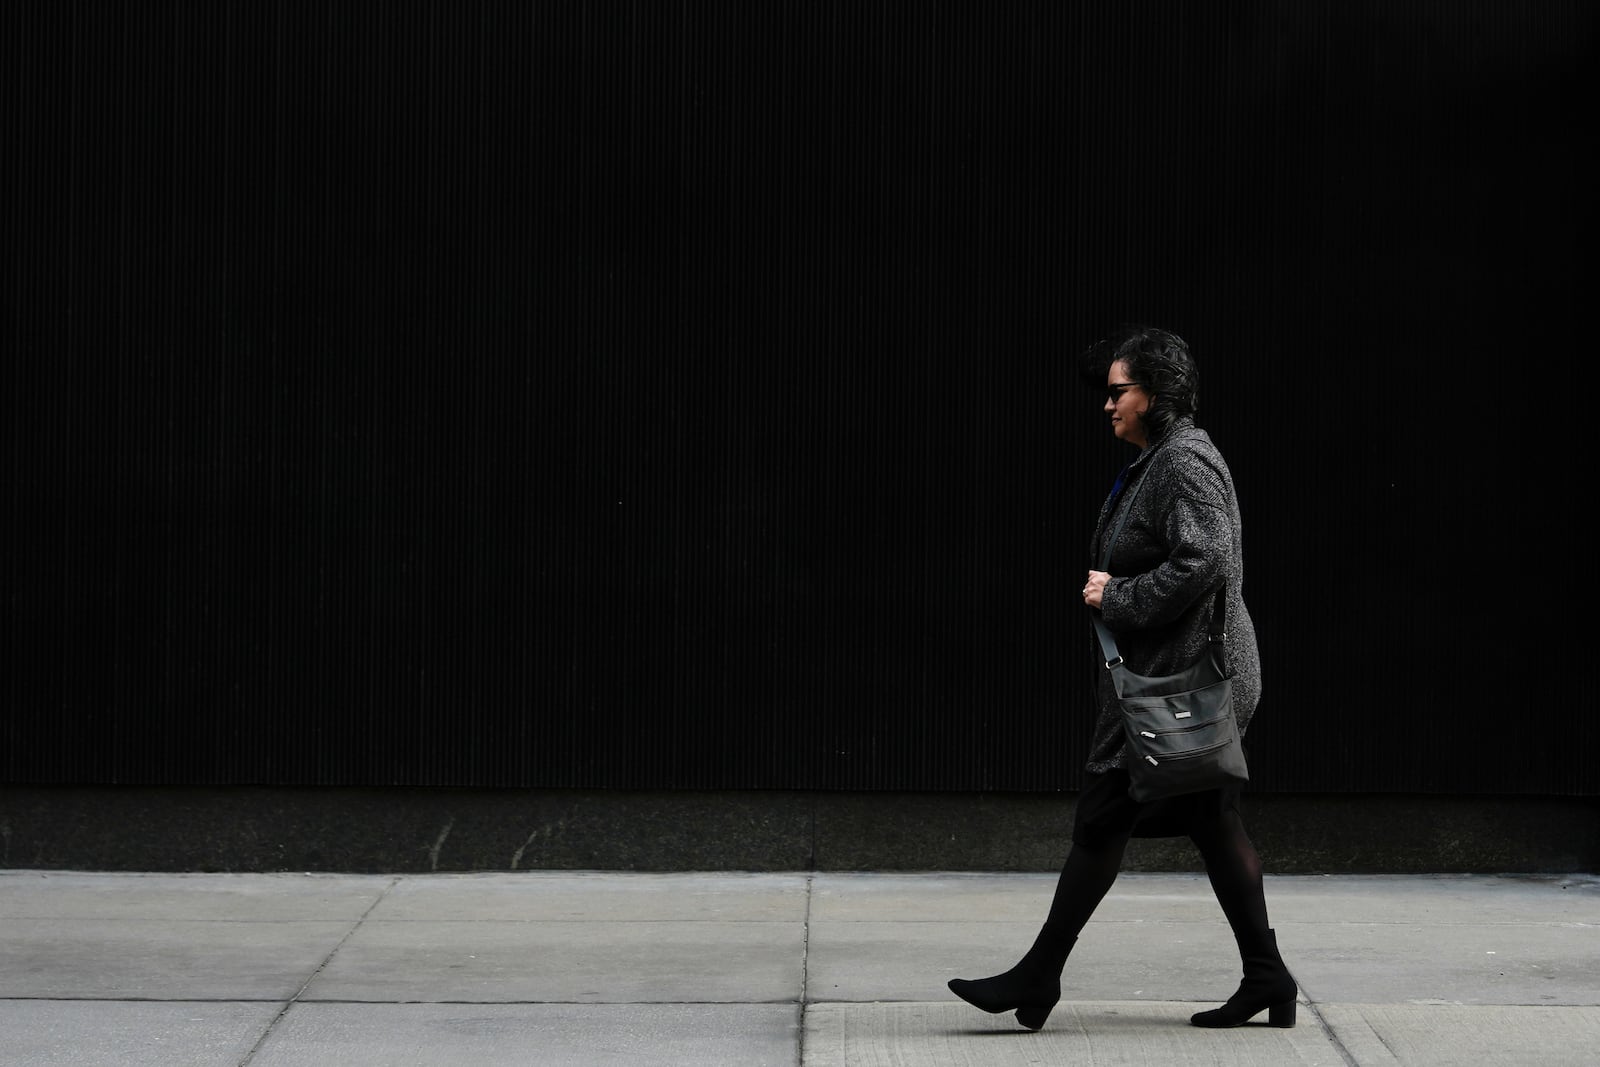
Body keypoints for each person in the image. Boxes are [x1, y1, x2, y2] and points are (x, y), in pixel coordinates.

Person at [947, 325, 1295, 1031]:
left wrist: (1118, 596)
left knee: (1104, 814)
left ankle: (1038, 976)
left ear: (1157, 393)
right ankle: (1268, 976)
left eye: (1118, 392)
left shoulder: (1182, 462)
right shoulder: (1159, 459)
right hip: (1180, 676)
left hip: (1183, 682)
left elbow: (1206, 560)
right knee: (1210, 817)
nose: (1107, 406)